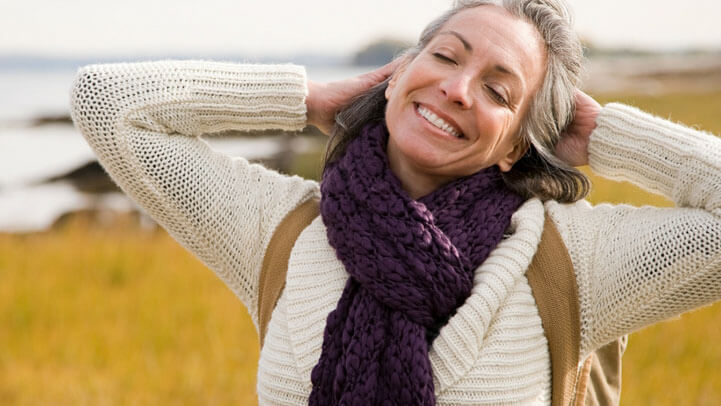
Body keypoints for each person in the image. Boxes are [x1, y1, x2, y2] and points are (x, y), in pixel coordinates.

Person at [69, 0, 721, 404]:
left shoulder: (569, 258)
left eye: (498, 92)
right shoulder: (283, 229)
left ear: (515, 147)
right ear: (396, 76)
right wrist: (309, 98)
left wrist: (605, 135)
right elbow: (106, 105)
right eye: (444, 57)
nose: (459, 89)